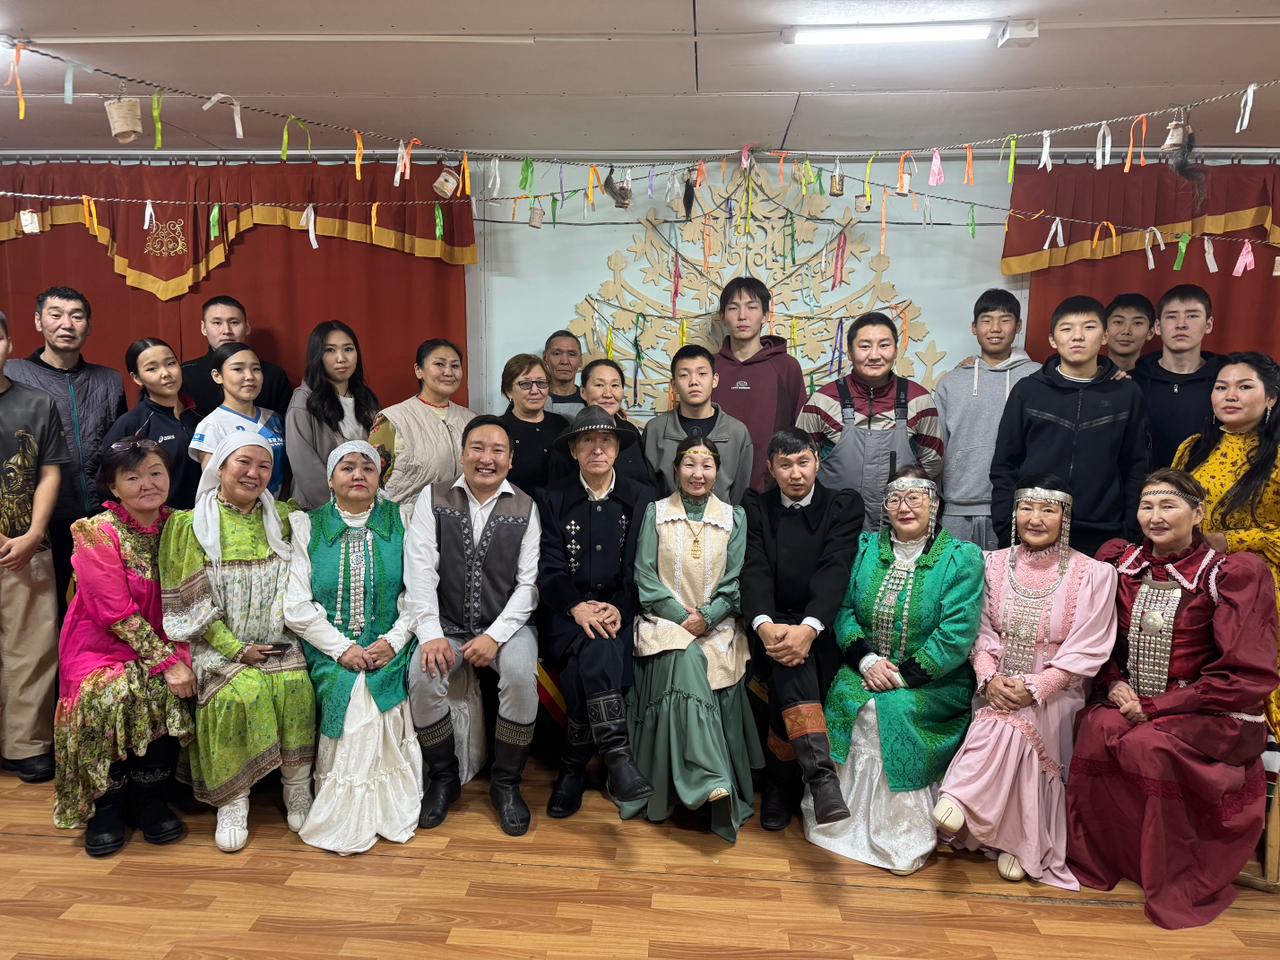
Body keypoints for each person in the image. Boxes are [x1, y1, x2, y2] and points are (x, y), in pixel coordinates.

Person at [1066, 469, 1279, 929]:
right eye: (1147, 506)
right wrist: (1112, 682)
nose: (1155, 517)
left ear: (1198, 513)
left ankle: (1174, 870)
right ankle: (1112, 859)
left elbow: (1243, 671)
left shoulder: (1229, 575)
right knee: (1097, 727)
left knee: (1150, 745)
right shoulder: (1120, 564)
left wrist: (1159, 707)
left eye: (1169, 505)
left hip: (1207, 710)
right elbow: (1099, 639)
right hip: (1133, 699)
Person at [933, 476, 1118, 888]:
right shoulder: (990, 563)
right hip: (996, 680)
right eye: (1026, 508)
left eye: (1048, 510)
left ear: (1065, 517)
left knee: (1014, 722)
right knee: (999, 716)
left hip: (1060, 689)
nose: (1035, 519)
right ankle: (1011, 836)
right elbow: (979, 628)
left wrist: (1038, 687)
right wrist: (989, 678)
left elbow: (1089, 645)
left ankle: (966, 802)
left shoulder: (1094, 574)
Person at [804, 466, 983, 875]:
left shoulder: (961, 558)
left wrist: (902, 677)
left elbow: (957, 632)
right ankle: (839, 816)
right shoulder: (866, 548)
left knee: (892, 709)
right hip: (865, 669)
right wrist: (867, 660)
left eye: (915, 498)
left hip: (933, 683)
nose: (905, 507)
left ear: (934, 505)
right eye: (896, 499)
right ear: (884, 507)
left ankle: (899, 831)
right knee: (849, 700)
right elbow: (844, 609)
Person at [159, 434, 316, 853]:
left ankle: (297, 787)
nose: (253, 473)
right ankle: (232, 800)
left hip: (277, 639)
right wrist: (235, 649)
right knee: (237, 694)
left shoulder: (285, 517)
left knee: (296, 687)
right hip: (217, 645)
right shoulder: (189, 524)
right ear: (221, 468)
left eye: (264, 466)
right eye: (243, 463)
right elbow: (190, 601)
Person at [53, 440, 196, 856]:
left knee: (169, 690)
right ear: (114, 487)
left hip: (169, 636)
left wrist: (176, 656)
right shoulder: (96, 531)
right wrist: (167, 662)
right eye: (132, 477)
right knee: (106, 693)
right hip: (101, 642)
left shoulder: (182, 525)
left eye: (155, 473)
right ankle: (108, 803)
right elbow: (113, 612)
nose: (146, 484)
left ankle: (150, 797)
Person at [403, 416, 541, 836]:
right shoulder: (433, 498)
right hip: (444, 623)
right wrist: (430, 635)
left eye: (498, 450)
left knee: (520, 676)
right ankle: (444, 779)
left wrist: (494, 636)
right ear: (462, 454)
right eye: (477, 448)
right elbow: (420, 571)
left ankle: (506, 784)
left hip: (506, 626)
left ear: (511, 460)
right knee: (423, 676)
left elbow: (528, 586)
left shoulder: (526, 506)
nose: (487, 458)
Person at [621, 436, 762, 842]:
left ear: (718, 471)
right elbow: (645, 576)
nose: (697, 474)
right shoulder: (655, 513)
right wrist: (684, 618)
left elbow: (736, 580)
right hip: (664, 621)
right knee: (685, 655)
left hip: (718, 625)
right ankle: (710, 779)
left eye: (706, 466)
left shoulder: (734, 518)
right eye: (689, 464)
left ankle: (702, 781)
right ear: (675, 469)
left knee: (706, 657)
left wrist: (709, 617)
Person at [284, 441, 421, 854]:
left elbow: (418, 593)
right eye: (347, 468)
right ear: (330, 480)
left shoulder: (403, 519)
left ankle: (381, 806)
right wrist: (341, 648)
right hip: (328, 650)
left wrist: (394, 640)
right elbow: (296, 605)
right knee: (357, 699)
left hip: (391, 645)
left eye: (368, 468)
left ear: (380, 478)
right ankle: (346, 809)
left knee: (375, 696)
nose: (358, 475)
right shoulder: (307, 526)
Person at [535, 406, 655, 818]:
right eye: (587, 441)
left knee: (594, 654)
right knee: (597, 648)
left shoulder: (642, 497)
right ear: (573, 450)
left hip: (620, 611)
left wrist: (618, 607)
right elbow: (548, 570)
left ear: (618, 447)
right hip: (565, 615)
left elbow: (643, 568)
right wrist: (576, 606)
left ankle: (572, 768)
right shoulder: (550, 499)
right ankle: (617, 760)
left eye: (606, 440)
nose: (597, 449)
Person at [741, 428, 863, 831]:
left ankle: (781, 782)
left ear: (817, 462)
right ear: (771, 468)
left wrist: (808, 630)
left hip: (820, 627)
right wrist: (764, 626)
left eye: (803, 462)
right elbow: (754, 569)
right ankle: (819, 779)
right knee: (788, 662)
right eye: (785, 465)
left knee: (793, 667)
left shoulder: (842, 505)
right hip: (769, 624)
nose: (795, 474)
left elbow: (835, 569)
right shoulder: (756, 507)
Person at [990, 295, 1149, 555]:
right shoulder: (1028, 391)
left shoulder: (1126, 394)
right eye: (1066, 329)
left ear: (1105, 336)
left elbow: (1136, 467)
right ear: (1053, 339)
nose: (1077, 337)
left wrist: (1129, 532)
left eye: (1089, 327)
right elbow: (1004, 465)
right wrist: (1007, 526)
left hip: (1103, 533)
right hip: (1033, 528)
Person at [1173, 352, 1280, 732]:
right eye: (1221, 387)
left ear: (1271, 398)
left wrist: (1229, 541)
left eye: (1244, 387)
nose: (1230, 396)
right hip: (1195, 575)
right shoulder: (1192, 448)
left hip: (1261, 581)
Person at [6, 286, 125, 613]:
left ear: (89, 324)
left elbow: (119, 449)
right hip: (38, 520)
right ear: (38, 321)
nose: (67, 324)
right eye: (56, 315)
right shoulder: (13, 374)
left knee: (108, 603)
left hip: (101, 514)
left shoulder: (109, 380)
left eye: (77, 316)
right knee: (46, 611)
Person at [0, 310, 69, 785]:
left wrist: (32, 533)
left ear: (9, 343)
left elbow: (49, 472)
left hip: (27, 546)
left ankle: (25, 744)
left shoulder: (37, 402)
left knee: (31, 648)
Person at [797, 312, 943, 530]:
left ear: (896, 350)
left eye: (884, 345)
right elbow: (801, 462)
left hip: (900, 526)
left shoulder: (919, 400)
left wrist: (904, 501)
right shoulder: (823, 401)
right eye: (865, 346)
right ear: (850, 352)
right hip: (834, 525)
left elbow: (932, 463)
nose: (874, 355)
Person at [934, 289, 1037, 550]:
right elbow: (937, 448)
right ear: (974, 327)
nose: (995, 328)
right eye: (987, 320)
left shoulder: (1037, 378)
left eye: (1005, 320)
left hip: (1021, 507)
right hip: (957, 507)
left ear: (1018, 326)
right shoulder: (952, 382)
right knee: (952, 575)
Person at [710, 277, 807, 493]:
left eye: (751, 307)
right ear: (722, 316)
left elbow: (799, 429)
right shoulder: (709, 367)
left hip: (772, 487)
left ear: (765, 315)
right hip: (714, 486)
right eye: (733, 308)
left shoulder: (786, 366)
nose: (742, 316)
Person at [285, 321, 380, 510]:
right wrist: (339, 509)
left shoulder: (367, 399)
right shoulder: (303, 402)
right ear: (316, 356)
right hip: (321, 510)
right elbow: (305, 468)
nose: (341, 358)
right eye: (330, 350)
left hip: (366, 507)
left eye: (348, 349)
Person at [642, 344, 754, 505]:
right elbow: (648, 491)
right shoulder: (656, 430)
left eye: (702, 374)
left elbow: (740, 495)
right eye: (684, 375)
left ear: (715, 380)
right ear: (673, 385)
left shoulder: (737, 432)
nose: (694, 382)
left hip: (721, 520)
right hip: (667, 519)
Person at [370, 338, 475, 505]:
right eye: (439, 364)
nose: (448, 372)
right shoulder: (393, 419)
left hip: (461, 517)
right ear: (419, 370)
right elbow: (370, 479)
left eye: (455, 366)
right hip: (406, 518)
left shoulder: (472, 421)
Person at [102, 338, 201, 509]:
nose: (166, 373)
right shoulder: (132, 423)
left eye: (171, 363)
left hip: (202, 518)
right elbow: (106, 479)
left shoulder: (200, 417)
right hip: (157, 520)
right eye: (152, 368)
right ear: (137, 378)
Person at [1133, 284, 1224, 468]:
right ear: (1158, 326)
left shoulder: (1225, 383)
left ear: (1208, 325)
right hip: (1145, 484)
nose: (1181, 324)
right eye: (1171, 316)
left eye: (1192, 316)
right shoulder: (1133, 382)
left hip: (1207, 483)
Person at [188, 342, 287, 499]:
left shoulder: (274, 418)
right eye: (238, 369)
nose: (250, 376)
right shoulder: (212, 425)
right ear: (217, 376)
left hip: (278, 509)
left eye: (256, 369)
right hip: (237, 511)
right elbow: (213, 486)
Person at [548, 359, 654, 489]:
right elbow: (557, 491)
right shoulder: (569, 436)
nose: (608, 394)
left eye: (615, 385)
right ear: (583, 392)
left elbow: (645, 480)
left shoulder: (630, 431)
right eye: (599, 385)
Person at [181, 296, 292, 419]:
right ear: (203, 328)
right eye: (217, 323)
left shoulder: (274, 375)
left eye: (234, 322)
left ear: (247, 327)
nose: (226, 331)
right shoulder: (184, 375)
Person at [497, 353, 568, 495]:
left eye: (541, 383)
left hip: (560, 506)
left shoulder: (561, 424)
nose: (535, 391)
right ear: (509, 391)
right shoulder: (498, 429)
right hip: (514, 505)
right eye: (525, 384)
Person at [1103, 293, 1156, 374]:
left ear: (1150, 333)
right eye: (1118, 322)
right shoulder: (1089, 375)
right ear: (1104, 330)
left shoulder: (1157, 378)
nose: (1126, 331)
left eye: (1137, 323)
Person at [543, 331, 586, 418]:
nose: (565, 361)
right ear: (545, 358)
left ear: (580, 360)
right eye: (557, 354)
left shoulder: (589, 400)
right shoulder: (535, 398)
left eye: (571, 354)